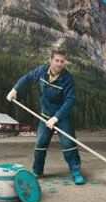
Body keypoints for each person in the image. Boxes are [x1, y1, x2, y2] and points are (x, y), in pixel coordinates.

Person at [6, 48, 85, 185]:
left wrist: (57, 117)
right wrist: (15, 89)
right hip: (45, 115)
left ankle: (76, 171)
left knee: (68, 144)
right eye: (57, 60)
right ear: (50, 60)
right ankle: (37, 171)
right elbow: (28, 78)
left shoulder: (68, 79)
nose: (59, 64)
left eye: (62, 61)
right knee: (40, 143)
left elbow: (70, 101)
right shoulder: (42, 71)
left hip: (62, 116)